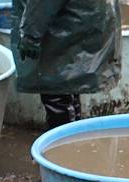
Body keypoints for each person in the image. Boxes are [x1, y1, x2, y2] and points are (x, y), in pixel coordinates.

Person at [12, 0, 122, 130]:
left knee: (57, 91)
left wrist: (30, 35)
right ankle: (72, 136)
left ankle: (64, 142)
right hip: (83, 20)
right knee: (68, 88)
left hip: (65, 28)